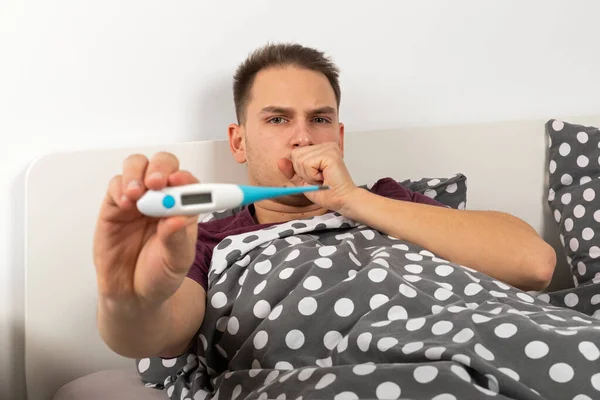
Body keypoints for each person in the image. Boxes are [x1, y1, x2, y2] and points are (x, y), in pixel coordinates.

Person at [93, 43, 575, 399]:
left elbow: (533, 264)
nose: (303, 137)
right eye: (278, 120)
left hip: (519, 339)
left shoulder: (390, 201)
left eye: (320, 119)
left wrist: (353, 202)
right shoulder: (209, 240)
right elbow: (157, 331)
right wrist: (127, 299)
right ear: (238, 142)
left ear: (339, 136)